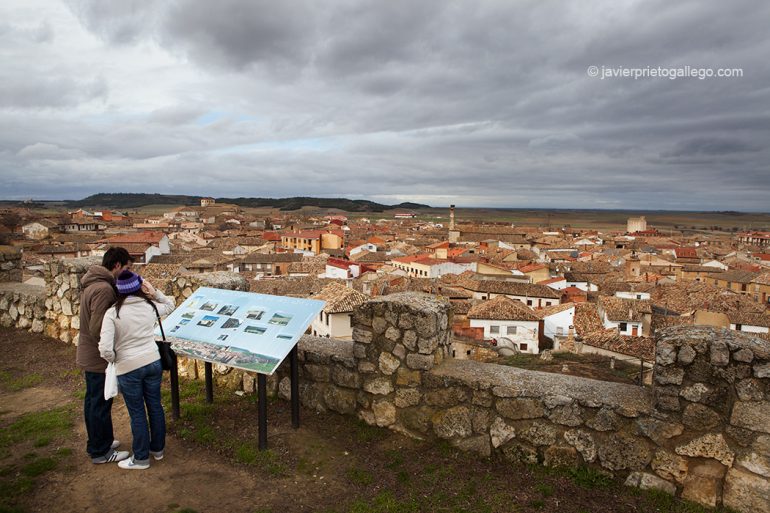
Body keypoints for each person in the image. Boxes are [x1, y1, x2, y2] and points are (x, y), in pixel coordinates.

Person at [99, 270, 175, 470]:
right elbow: (170, 305)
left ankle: (141, 458)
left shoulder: (112, 313)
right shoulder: (149, 306)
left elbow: (105, 348)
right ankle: (157, 449)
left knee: (137, 413)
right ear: (139, 287)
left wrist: (116, 359)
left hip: (128, 366)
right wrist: (154, 291)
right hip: (152, 361)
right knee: (155, 406)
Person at [77, 246, 132, 464]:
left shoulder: (93, 283)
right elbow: (98, 328)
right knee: (99, 403)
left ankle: (100, 443)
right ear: (117, 265)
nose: (127, 273)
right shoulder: (104, 289)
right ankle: (101, 451)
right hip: (96, 356)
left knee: (94, 401)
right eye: (127, 267)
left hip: (88, 352)